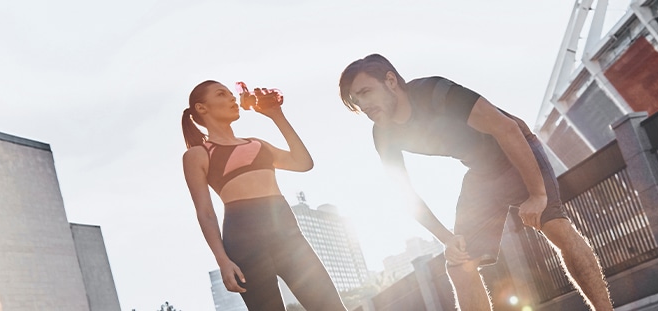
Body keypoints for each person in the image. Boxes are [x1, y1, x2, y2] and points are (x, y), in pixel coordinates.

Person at [338, 54, 615, 311]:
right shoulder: (383, 135)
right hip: (480, 174)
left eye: (365, 92)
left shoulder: (434, 91)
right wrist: (447, 239)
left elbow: (504, 128)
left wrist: (538, 195)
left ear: (390, 80)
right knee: (459, 265)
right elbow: (406, 194)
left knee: (555, 226)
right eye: (356, 100)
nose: (362, 105)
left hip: (514, 151)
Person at [180, 80, 346, 311]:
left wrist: (276, 115)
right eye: (221, 94)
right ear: (201, 108)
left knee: (330, 307)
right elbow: (205, 212)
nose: (231, 98)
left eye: (231, 94)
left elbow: (303, 163)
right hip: (243, 240)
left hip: (287, 233)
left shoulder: (258, 144)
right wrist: (222, 260)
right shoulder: (198, 155)